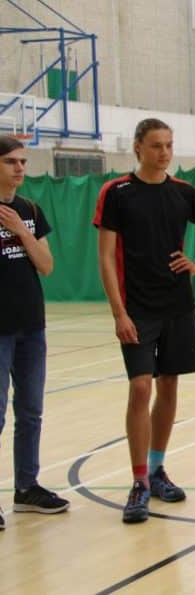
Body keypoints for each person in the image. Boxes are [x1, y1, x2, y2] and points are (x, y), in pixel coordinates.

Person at [94, 118, 195, 524]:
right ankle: (138, 483)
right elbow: (105, 257)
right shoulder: (116, 192)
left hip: (178, 307)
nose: (165, 152)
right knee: (140, 387)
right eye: (156, 146)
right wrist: (119, 312)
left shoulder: (184, 193)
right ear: (138, 147)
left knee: (168, 385)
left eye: (169, 145)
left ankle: (157, 469)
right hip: (136, 308)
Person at [0, 136, 68, 530]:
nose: (19, 168)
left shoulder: (29, 209)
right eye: (10, 161)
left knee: (30, 411)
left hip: (31, 325)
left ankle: (26, 487)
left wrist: (21, 232)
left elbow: (46, 265)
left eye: (23, 161)